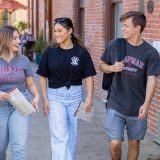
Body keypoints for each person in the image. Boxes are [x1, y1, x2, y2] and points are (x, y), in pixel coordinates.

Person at [100, 11, 160, 160]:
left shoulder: (150, 53)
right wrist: (111, 68)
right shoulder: (115, 45)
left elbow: (152, 79)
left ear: (138, 28)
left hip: (137, 106)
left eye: (126, 26)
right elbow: (102, 65)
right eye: (122, 26)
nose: (123, 29)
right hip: (116, 103)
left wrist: (146, 104)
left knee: (134, 143)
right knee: (115, 143)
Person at [37, 17, 96, 160]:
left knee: (72, 135)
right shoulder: (49, 52)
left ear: (70, 31)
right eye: (55, 31)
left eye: (60, 31)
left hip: (76, 97)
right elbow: (43, 76)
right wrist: (45, 99)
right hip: (55, 97)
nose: (56, 34)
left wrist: (88, 99)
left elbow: (89, 77)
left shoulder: (82, 52)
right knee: (59, 136)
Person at [0, 25, 39, 160]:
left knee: (19, 147)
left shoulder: (24, 60)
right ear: (4, 40)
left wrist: (37, 95)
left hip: (21, 105)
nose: (19, 41)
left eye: (19, 38)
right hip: (1, 107)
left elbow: (30, 83)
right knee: (0, 148)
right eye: (15, 38)